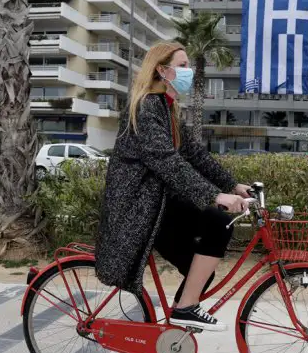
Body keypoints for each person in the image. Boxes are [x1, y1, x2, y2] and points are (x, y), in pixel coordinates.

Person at [95, 41, 251, 332]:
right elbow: (167, 161)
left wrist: (233, 185)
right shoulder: (145, 107)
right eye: (182, 66)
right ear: (161, 70)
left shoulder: (168, 109)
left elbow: (194, 155)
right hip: (139, 210)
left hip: (159, 204)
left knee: (201, 271)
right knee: (218, 222)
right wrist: (216, 195)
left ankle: (173, 340)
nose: (188, 71)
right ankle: (186, 309)